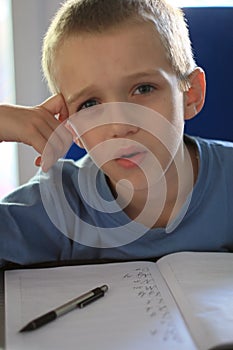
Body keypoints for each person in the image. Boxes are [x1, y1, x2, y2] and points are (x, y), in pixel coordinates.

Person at [0, 0, 232, 268]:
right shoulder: (60, 204)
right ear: (70, 125)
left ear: (190, 94)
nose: (120, 127)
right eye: (90, 104)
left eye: (143, 89)